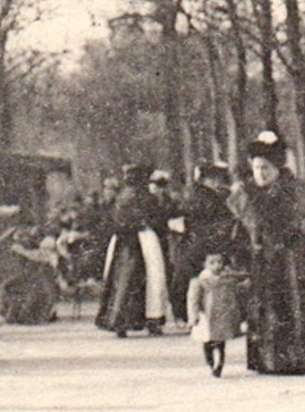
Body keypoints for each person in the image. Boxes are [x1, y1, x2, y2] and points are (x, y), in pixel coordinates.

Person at [231, 131, 305, 374]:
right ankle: (270, 359)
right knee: (268, 305)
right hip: (263, 259)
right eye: (257, 168)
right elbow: (240, 231)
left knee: (299, 302)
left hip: (293, 258)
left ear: (277, 168)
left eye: (266, 168)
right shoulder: (246, 196)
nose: (261, 173)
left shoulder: (298, 191)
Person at [95, 163, 170, 337]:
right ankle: (152, 320)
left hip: (122, 241)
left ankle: (119, 320)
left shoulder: (121, 196)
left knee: (122, 280)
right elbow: (156, 218)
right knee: (152, 278)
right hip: (143, 238)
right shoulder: (147, 197)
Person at [172, 162, 246, 323]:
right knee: (203, 280)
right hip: (206, 244)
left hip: (194, 243)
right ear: (208, 180)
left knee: (194, 281)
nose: (218, 183)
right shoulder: (209, 197)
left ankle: (190, 316)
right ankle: (201, 316)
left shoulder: (197, 194)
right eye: (215, 179)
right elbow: (220, 218)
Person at [187, 252, 247, 378]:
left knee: (220, 343)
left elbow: (239, 285)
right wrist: (193, 316)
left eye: (219, 262)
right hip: (206, 316)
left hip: (222, 316)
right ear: (204, 264)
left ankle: (219, 365)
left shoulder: (227, 278)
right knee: (207, 342)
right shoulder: (200, 280)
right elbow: (193, 299)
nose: (217, 266)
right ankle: (211, 363)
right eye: (212, 263)